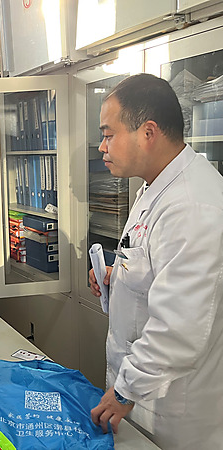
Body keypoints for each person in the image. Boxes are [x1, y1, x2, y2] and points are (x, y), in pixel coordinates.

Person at [88, 73, 223, 448]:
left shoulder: (193, 206)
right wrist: (120, 275)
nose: (101, 146)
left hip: (172, 413)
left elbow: (179, 329)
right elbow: (156, 267)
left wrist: (125, 390)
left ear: (148, 132)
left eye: (109, 134)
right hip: (142, 394)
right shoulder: (155, 186)